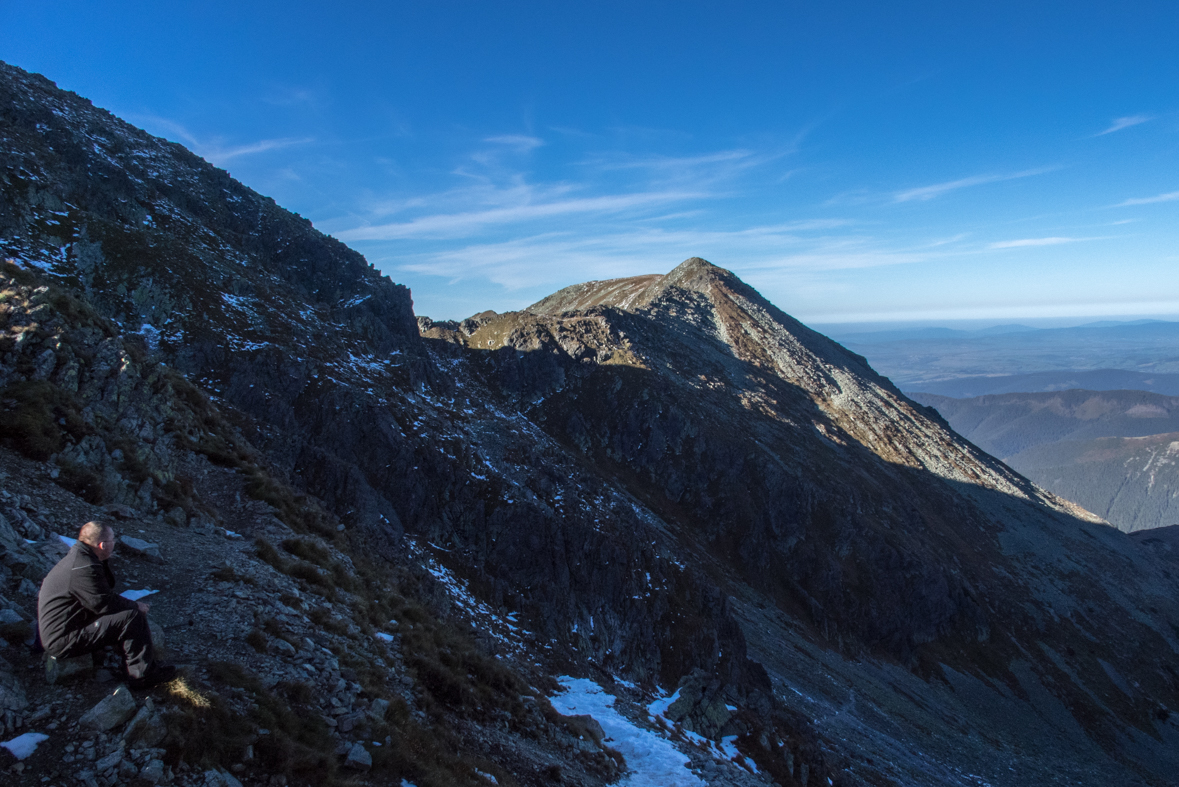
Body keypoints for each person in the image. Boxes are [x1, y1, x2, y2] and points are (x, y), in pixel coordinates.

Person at [37, 520, 175, 689]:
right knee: (131, 617)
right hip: (62, 639)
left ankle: (129, 660)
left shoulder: (81, 558)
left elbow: (101, 593)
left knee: (125, 612)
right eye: (112, 540)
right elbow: (102, 603)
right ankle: (141, 677)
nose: (115, 543)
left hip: (65, 628)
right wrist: (135, 606)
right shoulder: (84, 566)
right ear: (102, 545)